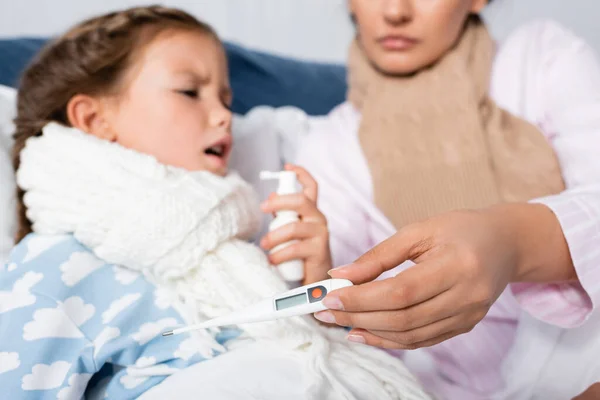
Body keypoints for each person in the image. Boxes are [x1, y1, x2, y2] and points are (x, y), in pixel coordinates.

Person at [0, 6, 430, 399]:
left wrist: (318, 284)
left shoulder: (240, 253)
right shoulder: (54, 266)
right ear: (95, 120)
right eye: (190, 92)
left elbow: (323, 360)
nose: (225, 114)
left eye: (225, 98)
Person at [265, 0, 600, 398]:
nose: (394, 11)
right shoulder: (329, 148)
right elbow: (352, 347)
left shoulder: (543, 59)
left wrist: (510, 242)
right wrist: (320, 284)